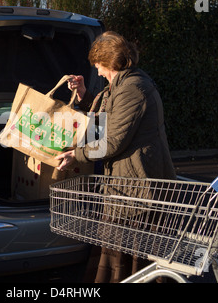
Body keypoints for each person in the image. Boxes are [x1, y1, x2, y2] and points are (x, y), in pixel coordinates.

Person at [55, 31, 176, 283]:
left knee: (131, 260)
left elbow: (113, 141)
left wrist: (77, 155)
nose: (98, 72)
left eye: (99, 66)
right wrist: (83, 94)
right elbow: (105, 119)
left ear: (111, 62)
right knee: (118, 254)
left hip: (137, 191)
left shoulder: (133, 89)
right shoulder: (121, 86)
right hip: (125, 189)